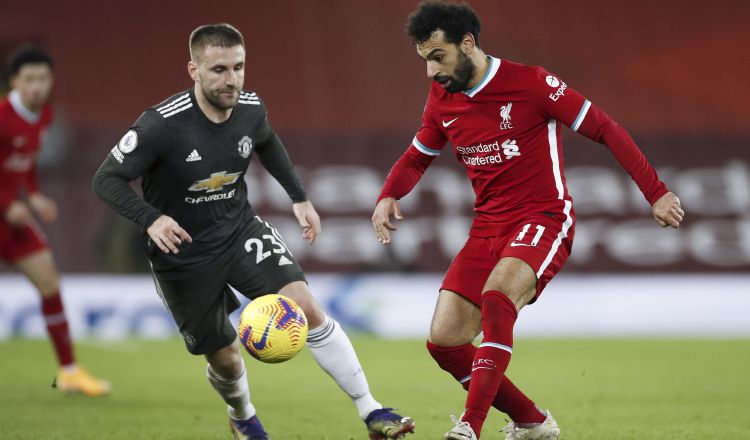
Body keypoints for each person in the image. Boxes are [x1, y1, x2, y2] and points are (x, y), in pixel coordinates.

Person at [371, 2, 684, 440]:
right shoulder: (442, 98)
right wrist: (389, 193)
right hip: (487, 228)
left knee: (499, 296)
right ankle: (532, 422)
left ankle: (469, 427)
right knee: (444, 341)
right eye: (425, 60)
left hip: (544, 218)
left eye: (438, 57)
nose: (431, 72)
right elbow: (417, 157)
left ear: (467, 44)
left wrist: (656, 191)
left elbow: (604, 127)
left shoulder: (532, 83)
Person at [92, 23, 415, 440]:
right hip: (183, 254)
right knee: (225, 355)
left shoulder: (249, 107)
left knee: (307, 308)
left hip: (239, 230)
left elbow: (265, 140)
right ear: (193, 70)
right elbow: (106, 179)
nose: (232, 80)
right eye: (219, 70)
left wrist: (298, 196)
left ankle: (372, 411)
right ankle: (243, 416)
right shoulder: (161, 125)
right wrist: (150, 218)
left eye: (239, 68)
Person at [0, 46, 110, 397]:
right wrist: (6, 205)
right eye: (28, 79)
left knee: (49, 281)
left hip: (12, 220)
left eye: (42, 78)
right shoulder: (2, 117)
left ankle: (69, 372)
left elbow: (23, 165)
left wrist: (31, 195)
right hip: (5, 213)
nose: (36, 86)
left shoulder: (43, 116)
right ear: (14, 82)